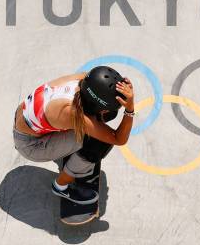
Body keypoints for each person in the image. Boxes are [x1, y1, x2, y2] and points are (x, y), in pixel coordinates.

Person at [13, 66, 135, 205]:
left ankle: (69, 150)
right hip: (31, 145)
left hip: (27, 120)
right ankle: (60, 186)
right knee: (99, 142)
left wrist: (120, 89)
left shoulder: (83, 80)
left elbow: (99, 86)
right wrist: (129, 109)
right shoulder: (71, 113)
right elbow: (118, 139)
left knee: (108, 115)